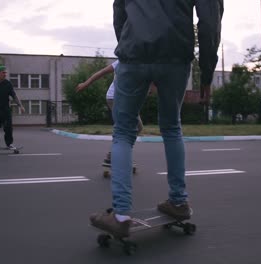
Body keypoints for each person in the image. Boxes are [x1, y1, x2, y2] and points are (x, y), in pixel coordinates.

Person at [90, 0, 223, 238]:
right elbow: (209, 23)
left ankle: (120, 215)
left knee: (123, 132)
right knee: (172, 127)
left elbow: (119, 10)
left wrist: (131, 45)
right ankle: (179, 202)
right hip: (176, 55)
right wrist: (206, 72)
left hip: (134, 54)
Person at [76, 60, 144, 164]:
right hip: (115, 98)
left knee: (137, 127)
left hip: (124, 99)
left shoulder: (143, 64)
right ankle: (117, 155)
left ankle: (117, 153)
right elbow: (102, 72)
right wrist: (86, 84)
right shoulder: (121, 62)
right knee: (126, 128)